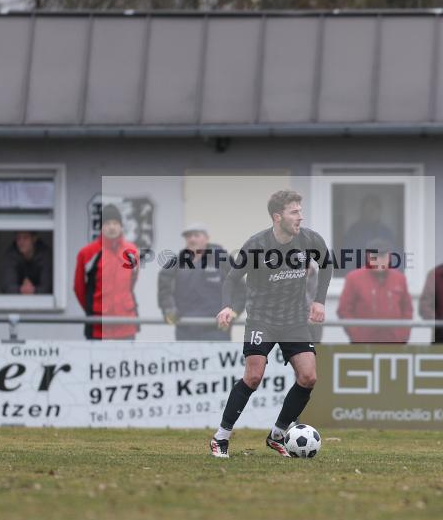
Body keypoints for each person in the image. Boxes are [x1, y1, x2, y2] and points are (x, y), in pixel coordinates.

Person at [210, 190, 331, 458]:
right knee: (253, 377)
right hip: (261, 319)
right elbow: (232, 278)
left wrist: (319, 301)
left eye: (300, 210)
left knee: (309, 377)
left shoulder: (310, 239)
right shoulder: (256, 245)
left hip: (294, 321)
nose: (300, 216)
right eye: (294, 212)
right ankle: (221, 438)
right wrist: (228, 306)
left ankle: (277, 435)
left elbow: (327, 264)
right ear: (278, 217)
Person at [158, 223, 238, 341]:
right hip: (185, 329)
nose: (192, 239)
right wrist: (169, 308)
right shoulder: (176, 262)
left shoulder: (223, 259)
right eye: (189, 236)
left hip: (217, 330)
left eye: (196, 235)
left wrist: (232, 312)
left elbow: (241, 289)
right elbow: (164, 289)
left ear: (206, 238)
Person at [73, 204, 139, 340]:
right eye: (107, 223)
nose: (112, 227)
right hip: (98, 326)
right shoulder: (87, 253)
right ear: (101, 227)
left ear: (121, 226)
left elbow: (132, 282)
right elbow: (79, 288)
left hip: (126, 325)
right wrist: (93, 308)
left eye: (115, 223)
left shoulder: (132, 251)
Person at [338, 239, 413, 343]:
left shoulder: (399, 279)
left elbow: (407, 310)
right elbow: (344, 310)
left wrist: (403, 335)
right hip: (363, 344)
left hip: (394, 343)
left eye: (383, 257)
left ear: (389, 257)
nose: (379, 260)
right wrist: (357, 335)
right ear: (368, 257)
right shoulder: (354, 278)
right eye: (375, 257)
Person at [341, 195, 397, 273]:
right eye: (367, 210)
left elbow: (393, 256)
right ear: (362, 211)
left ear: (379, 211)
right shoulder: (354, 231)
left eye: (373, 210)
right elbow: (348, 256)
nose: (370, 213)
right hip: (359, 273)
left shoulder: (386, 232)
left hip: (382, 275)